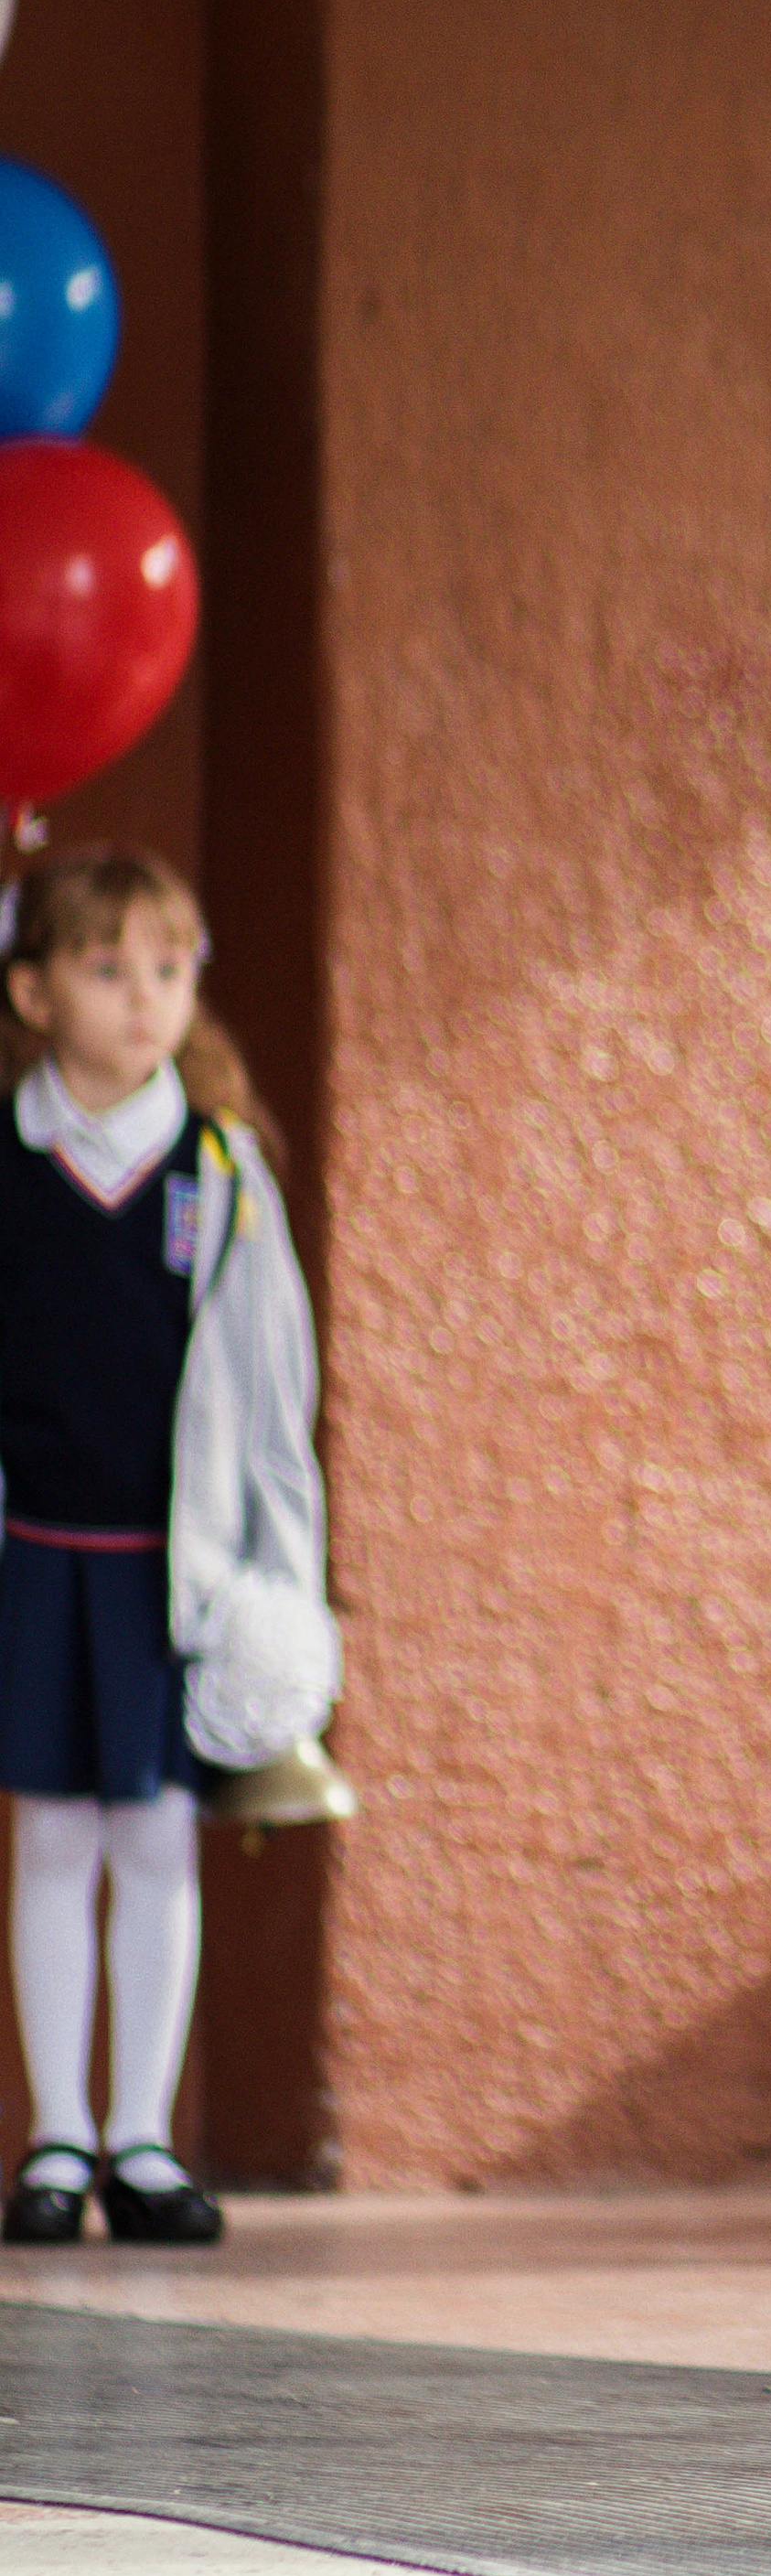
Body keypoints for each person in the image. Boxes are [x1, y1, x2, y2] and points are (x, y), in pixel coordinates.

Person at [0, 848, 336, 2249]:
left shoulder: (219, 1168)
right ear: (32, 990)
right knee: (51, 1839)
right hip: (34, 1553)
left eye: (169, 965)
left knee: (153, 1840)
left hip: (167, 1572)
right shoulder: (8, 1162)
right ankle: (56, 2141)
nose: (145, 998)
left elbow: (273, 1394)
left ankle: (141, 2134)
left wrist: (281, 1583)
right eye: (105, 966)